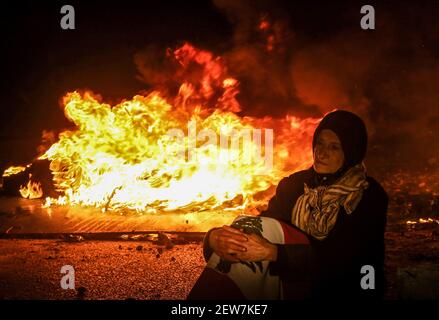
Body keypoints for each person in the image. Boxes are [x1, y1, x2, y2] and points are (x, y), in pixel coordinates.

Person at [188, 110, 388, 300]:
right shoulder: (294, 185)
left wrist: (274, 253)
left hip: (349, 287)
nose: (321, 153)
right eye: (319, 143)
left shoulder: (369, 195)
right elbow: (264, 228)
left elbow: (349, 260)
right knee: (248, 228)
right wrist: (215, 240)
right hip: (296, 280)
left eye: (334, 147)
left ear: (351, 151)